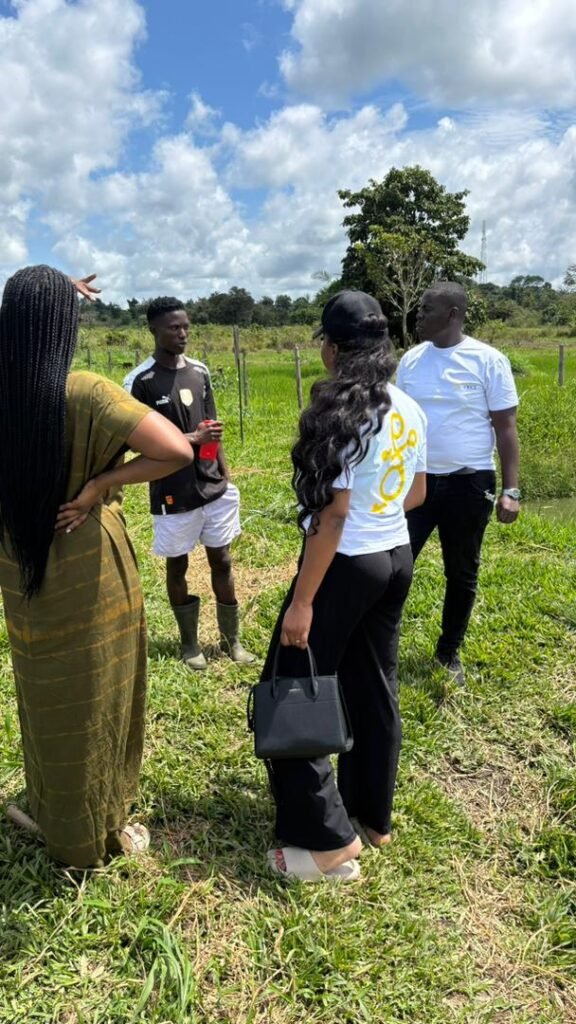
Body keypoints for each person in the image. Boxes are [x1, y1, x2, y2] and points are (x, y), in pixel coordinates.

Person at [0, 265, 194, 868]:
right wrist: (100, 484)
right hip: (86, 559)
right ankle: (96, 833)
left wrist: (49, 288)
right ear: (65, 326)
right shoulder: (86, 391)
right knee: (98, 694)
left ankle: (49, 808)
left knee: (45, 694)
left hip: (19, 564)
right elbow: (175, 449)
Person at [259, 290, 427, 882]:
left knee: (291, 686)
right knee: (373, 684)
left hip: (347, 564)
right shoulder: (408, 407)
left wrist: (303, 602)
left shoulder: (341, 411)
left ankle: (328, 843)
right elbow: (416, 494)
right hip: (395, 557)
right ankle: (373, 817)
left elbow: (331, 518)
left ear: (331, 349)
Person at [396, 281, 520, 685]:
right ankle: (381, 646)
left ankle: (448, 653)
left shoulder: (488, 360)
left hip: (470, 483)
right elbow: (395, 421)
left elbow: (505, 428)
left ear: (453, 314)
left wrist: (511, 490)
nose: (418, 316)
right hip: (416, 483)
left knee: (462, 571)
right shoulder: (411, 360)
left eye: (426, 309)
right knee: (394, 565)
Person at [123, 297, 255, 670]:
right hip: (172, 489)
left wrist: (224, 474)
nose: (182, 334)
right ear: (153, 330)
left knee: (222, 559)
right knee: (178, 564)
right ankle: (189, 643)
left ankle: (232, 641)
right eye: (173, 328)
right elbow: (134, 441)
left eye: (186, 327)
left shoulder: (199, 371)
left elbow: (211, 427)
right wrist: (191, 439)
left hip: (212, 485)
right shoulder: (140, 381)